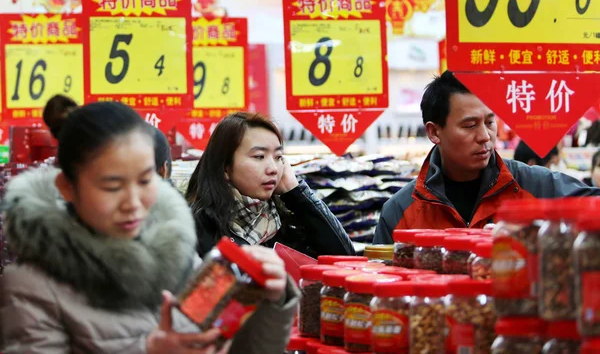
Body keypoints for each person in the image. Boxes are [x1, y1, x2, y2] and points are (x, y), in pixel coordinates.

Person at [0, 95, 298, 354]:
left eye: (145, 181)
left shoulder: (177, 255)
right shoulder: (32, 286)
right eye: (112, 186)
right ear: (66, 187)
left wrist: (270, 301)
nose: (134, 201)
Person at [373, 71, 600, 244]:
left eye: (490, 123)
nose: (485, 137)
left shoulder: (535, 186)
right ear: (434, 132)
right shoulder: (400, 212)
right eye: (470, 125)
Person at [185, 112, 355, 258]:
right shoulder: (196, 226)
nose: (273, 168)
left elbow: (345, 260)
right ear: (225, 167)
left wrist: (296, 193)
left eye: (278, 157)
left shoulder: (284, 218)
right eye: (259, 156)